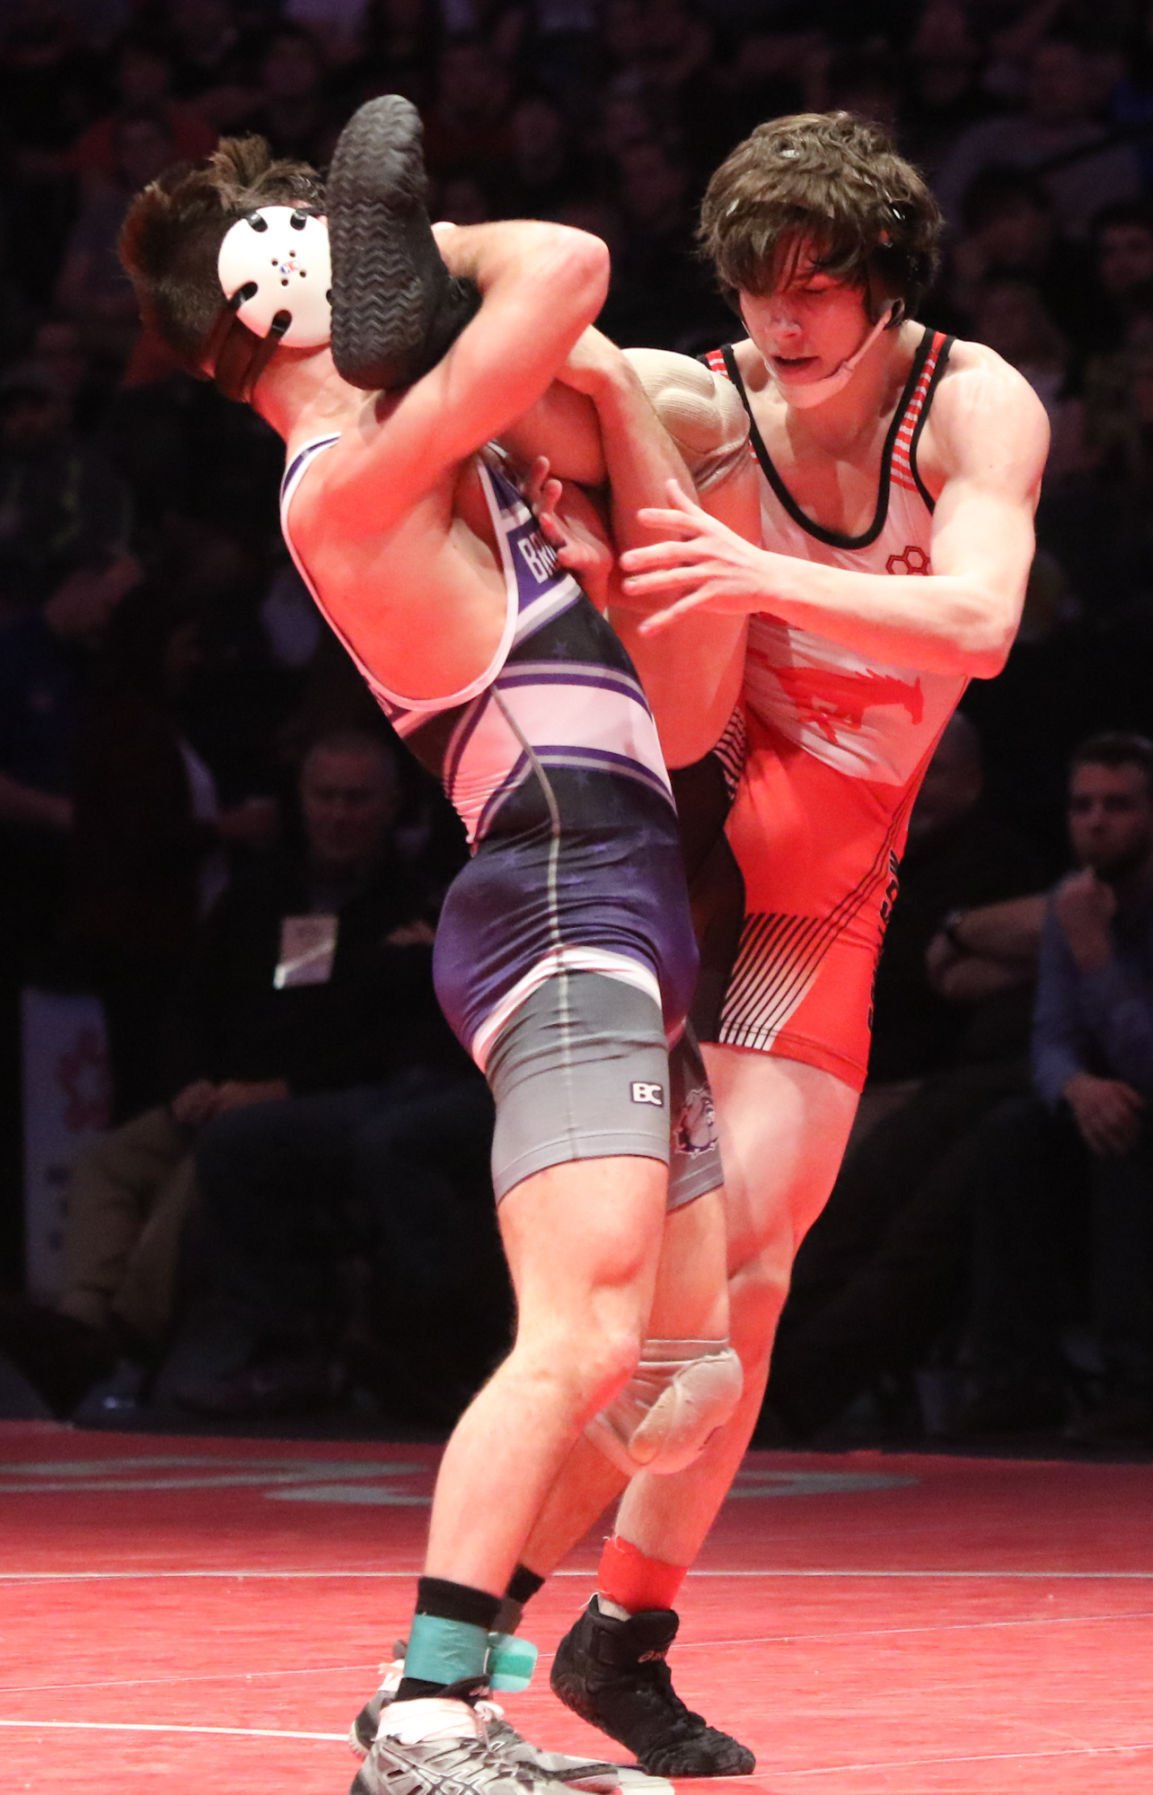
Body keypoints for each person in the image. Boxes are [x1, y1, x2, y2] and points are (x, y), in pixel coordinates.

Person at [117, 98, 750, 1795]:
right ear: (278, 301)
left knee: (675, 1369)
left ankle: (453, 1675)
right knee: (588, 1329)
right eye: (334, 247)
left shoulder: (449, 460)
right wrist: (441, 252)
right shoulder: (343, 484)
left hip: (621, 887)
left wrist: (610, 405)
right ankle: (422, 1712)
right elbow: (571, 261)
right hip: (557, 891)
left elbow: (679, 717)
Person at [479, 109, 1050, 1777]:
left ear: (887, 288)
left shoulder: (970, 405)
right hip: (681, 864)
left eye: (815, 292)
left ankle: (618, 1633)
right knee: (683, 1318)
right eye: (756, 288)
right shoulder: (698, 404)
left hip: (824, 896)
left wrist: (742, 576)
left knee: (747, 1298)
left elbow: (980, 622)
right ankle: (456, 1647)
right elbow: (543, 364)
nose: (780, 325)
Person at [963, 731, 1153, 1447]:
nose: (1096, 821)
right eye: (1082, 806)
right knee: (1012, 1134)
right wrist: (1074, 1086)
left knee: (1126, 1136)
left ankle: (1133, 1385)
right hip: (1100, 1100)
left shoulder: (1083, 919)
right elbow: (1050, 1035)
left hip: (1139, 1106)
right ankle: (1016, 1379)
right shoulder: (1070, 901)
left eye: (1118, 805)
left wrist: (1096, 954)